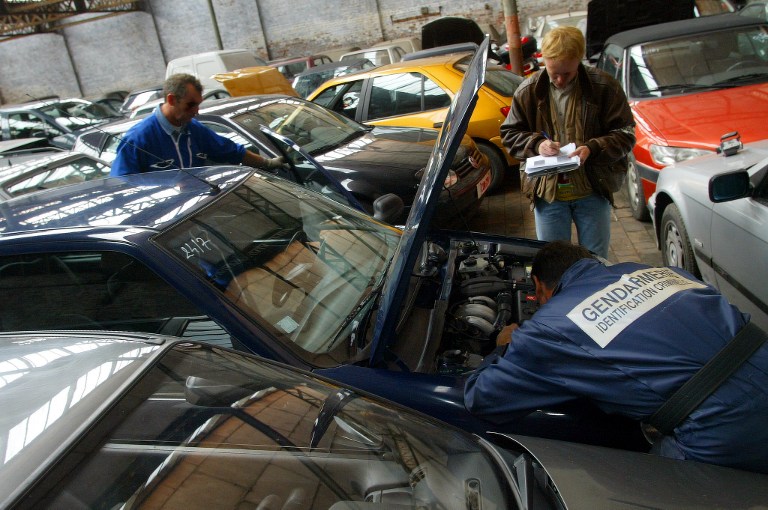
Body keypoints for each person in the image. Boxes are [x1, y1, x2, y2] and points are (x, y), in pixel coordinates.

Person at [464, 240, 768, 474]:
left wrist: (504, 345)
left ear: (540, 286)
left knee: (634, 490)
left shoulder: (549, 328)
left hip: (724, 428)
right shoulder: (657, 271)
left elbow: (482, 398)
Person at [500, 26, 635, 259]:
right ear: (544, 62)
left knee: (596, 261)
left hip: (593, 189)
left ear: (579, 61)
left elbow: (626, 133)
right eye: (554, 74)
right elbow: (509, 134)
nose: (560, 80)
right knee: (554, 263)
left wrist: (592, 148)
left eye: (568, 74)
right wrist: (537, 144)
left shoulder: (604, 87)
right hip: (547, 194)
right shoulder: (529, 90)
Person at [111, 73, 284, 176]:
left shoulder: (194, 130)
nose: (196, 111)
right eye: (190, 105)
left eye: (198, 104)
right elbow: (122, 184)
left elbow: (232, 151)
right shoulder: (138, 140)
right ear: (171, 99)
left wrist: (268, 164)